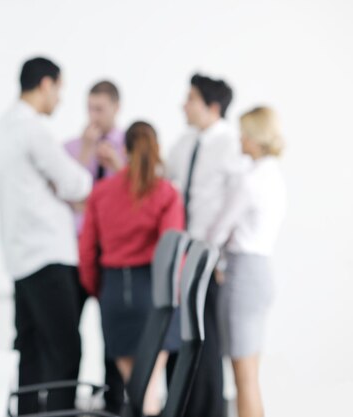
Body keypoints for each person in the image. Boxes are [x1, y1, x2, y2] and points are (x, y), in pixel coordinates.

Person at [0, 57, 92, 414]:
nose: (59, 99)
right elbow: (77, 183)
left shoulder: (0, 131)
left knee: (29, 350)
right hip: (49, 255)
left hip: (19, 257)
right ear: (46, 84)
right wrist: (68, 189)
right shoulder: (33, 130)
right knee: (66, 351)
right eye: (59, 90)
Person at [79, 121, 184, 415]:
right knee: (149, 389)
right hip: (154, 292)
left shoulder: (101, 192)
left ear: (122, 149)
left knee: (134, 390)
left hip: (114, 292)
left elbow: (87, 252)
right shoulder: (166, 193)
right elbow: (171, 254)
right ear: (157, 149)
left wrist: (96, 289)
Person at [166, 73, 241, 417]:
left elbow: (235, 205)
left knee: (206, 340)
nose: (184, 104)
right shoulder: (184, 143)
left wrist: (217, 257)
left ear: (211, 106)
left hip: (210, 259)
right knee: (185, 337)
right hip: (183, 257)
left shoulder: (231, 145)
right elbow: (166, 186)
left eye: (191, 99)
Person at [209, 107, 286, 417]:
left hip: (243, 276)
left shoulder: (250, 180)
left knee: (244, 377)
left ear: (256, 138)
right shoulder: (273, 175)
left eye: (244, 133)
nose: (240, 139)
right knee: (249, 374)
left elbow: (218, 230)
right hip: (260, 274)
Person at [64, 80, 126, 413]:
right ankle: (69, 397)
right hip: (76, 254)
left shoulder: (131, 147)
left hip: (114, 256)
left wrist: (117, 165)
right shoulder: (73, 148)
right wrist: (87, 154)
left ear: (116, 108)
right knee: (68, 330)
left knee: (114, 331)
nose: (94, 116)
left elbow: (137, 197)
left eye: (100, 109)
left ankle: (114, 401)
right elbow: (72, 197)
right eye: (90, 108)